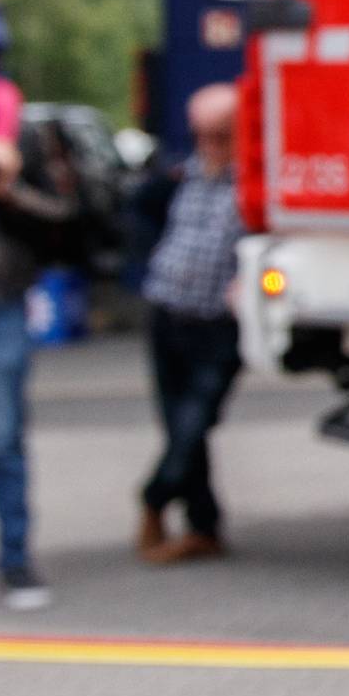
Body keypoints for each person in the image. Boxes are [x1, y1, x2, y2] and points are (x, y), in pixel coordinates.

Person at [132, 83, 247, 564]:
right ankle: (205, 525)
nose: (212, 147)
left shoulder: (250, 185)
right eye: (204, 136)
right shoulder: (182, 176)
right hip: (168, 314)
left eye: (222, 136)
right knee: (177, 423)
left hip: (216, 325)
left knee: (194, 421)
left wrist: (249, 283)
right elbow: (138, 211)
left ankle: (153, 499)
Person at [0, 0, 68, 611]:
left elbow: (66, 218)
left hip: (1, 302)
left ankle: (16, 558)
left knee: (2, 434)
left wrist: (11, 190)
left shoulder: (19, 128)